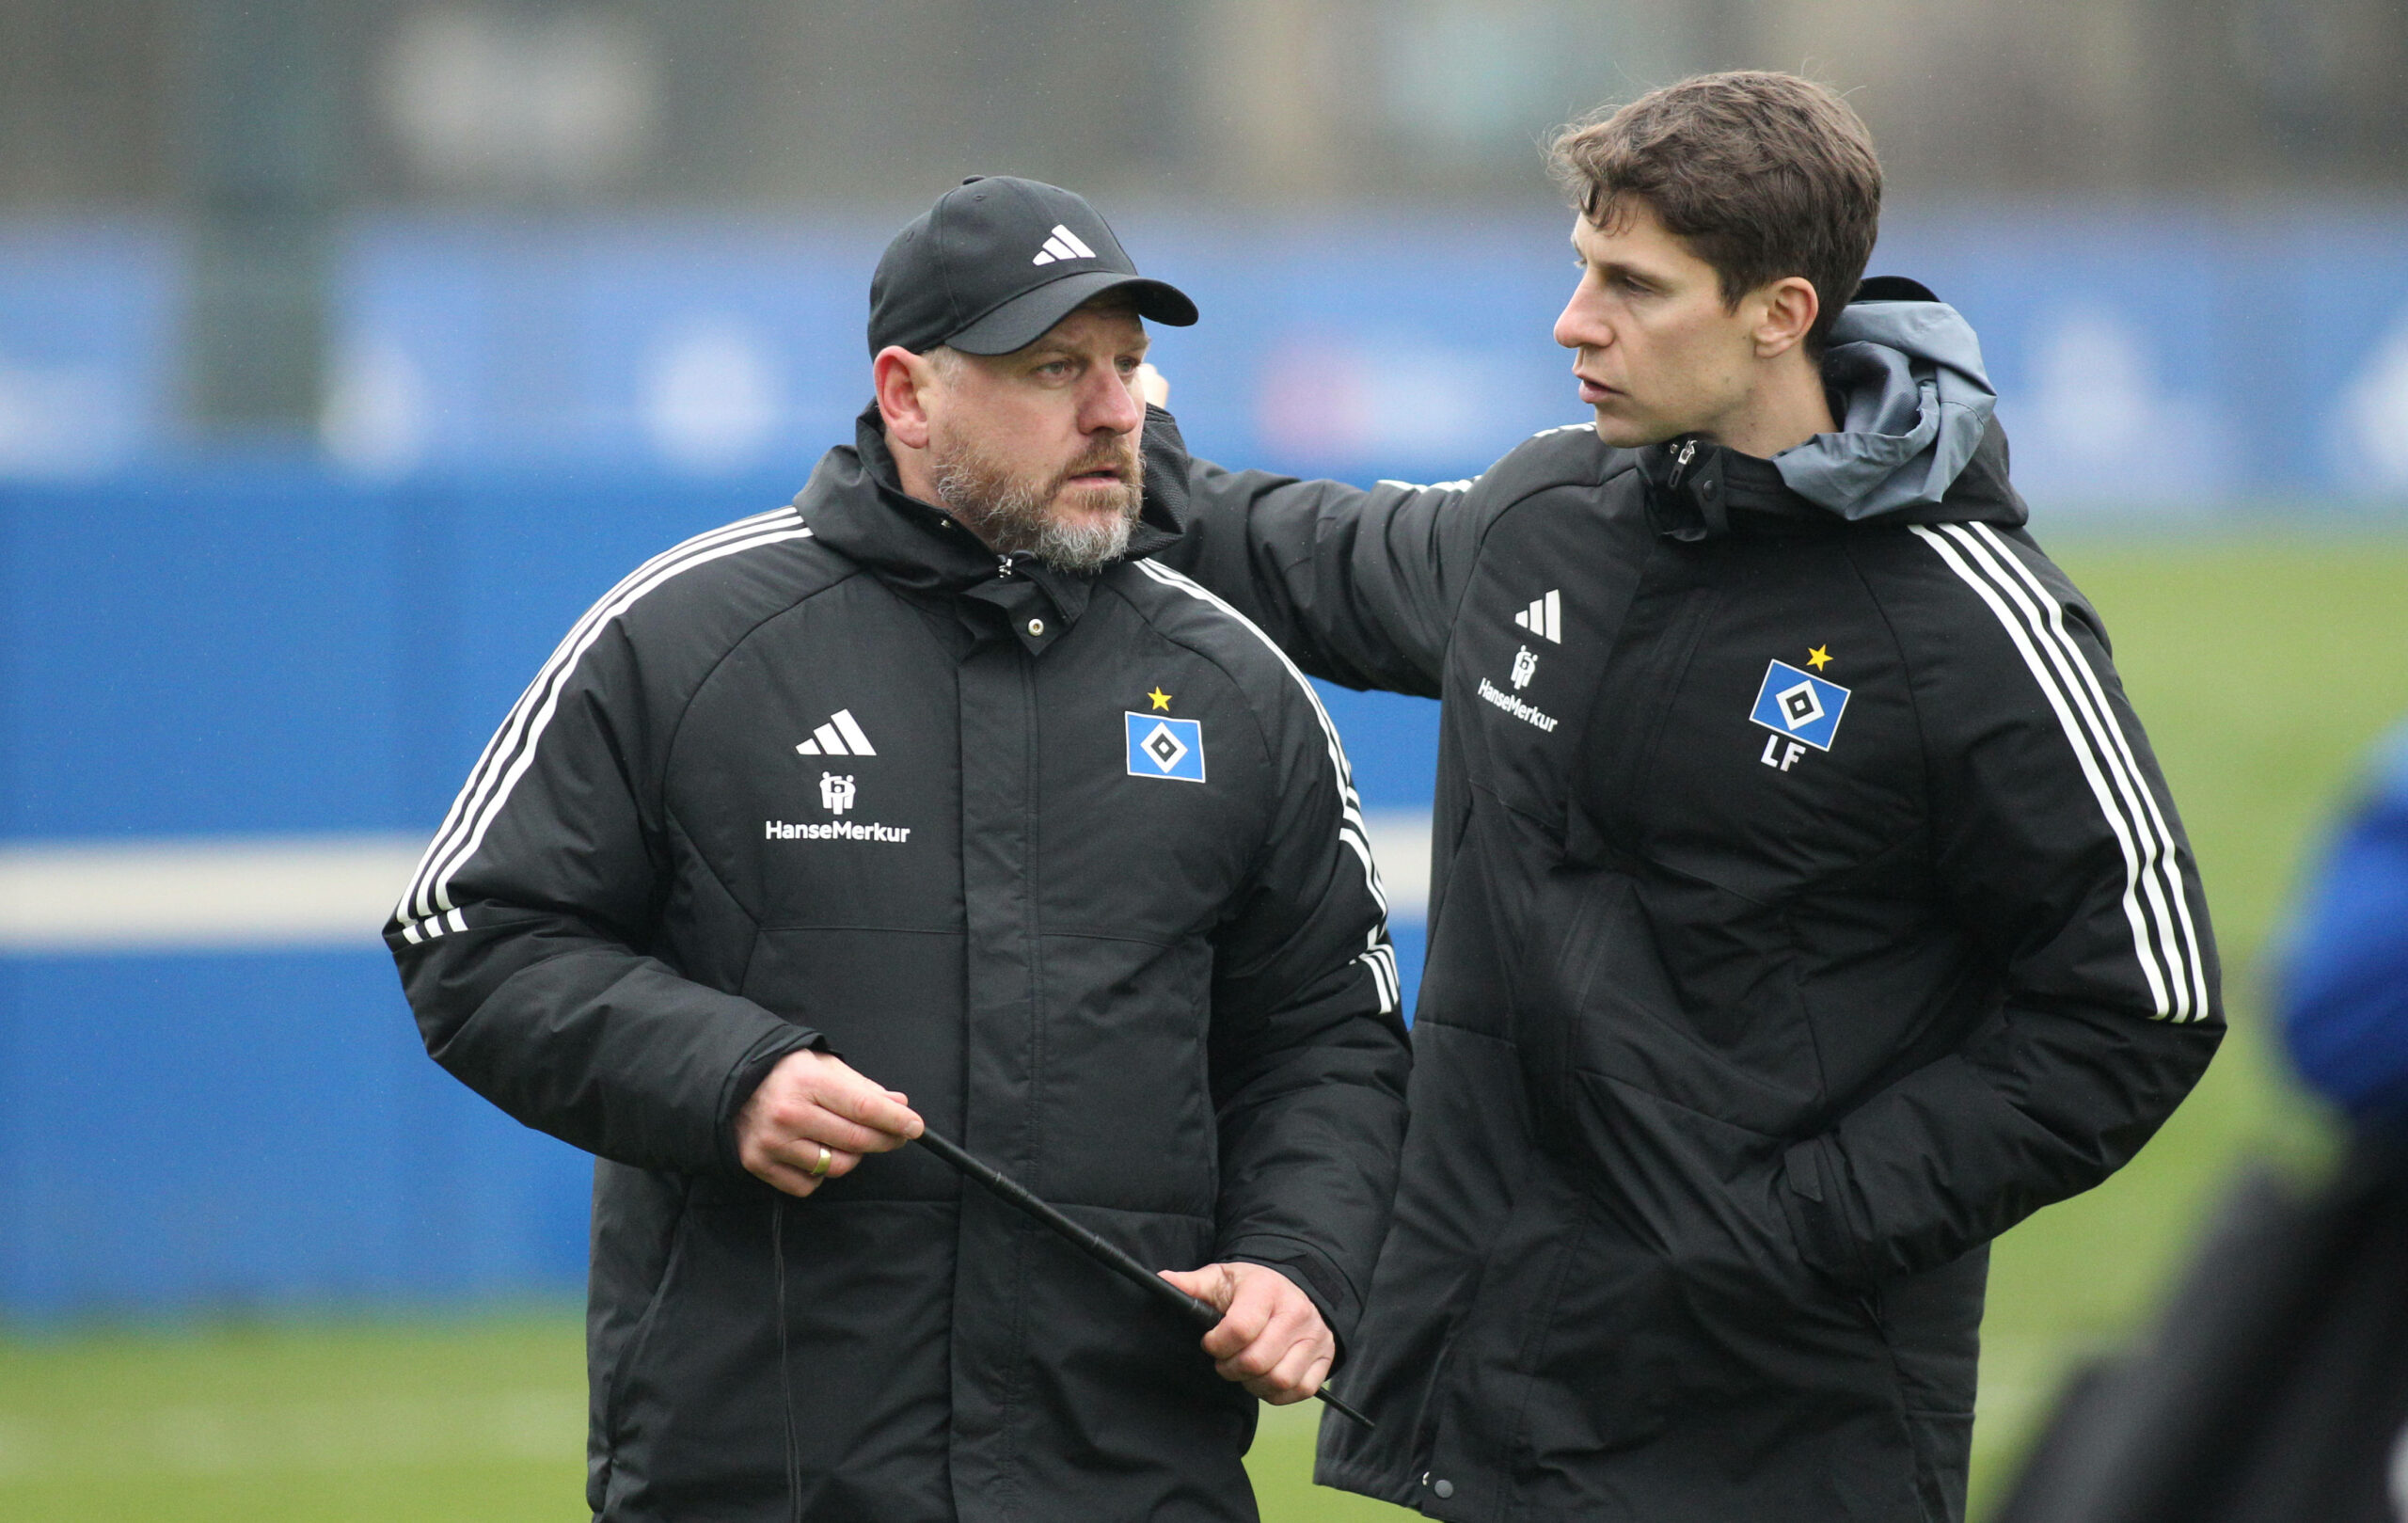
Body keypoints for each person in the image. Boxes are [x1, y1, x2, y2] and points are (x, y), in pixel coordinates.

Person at [1159, 72, 2224, 1522]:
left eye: (1632, 286)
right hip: (1508, 1406)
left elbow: (2139, 1001)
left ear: (1780, 313)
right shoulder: (1550, 512)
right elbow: (1334, 558)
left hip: (1782, 1433)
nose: (1573, 320)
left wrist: (1786, 1229)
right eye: (1582, 267)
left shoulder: (1970, 623)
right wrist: (1121, 466)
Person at [384, 175, 1411, 1523]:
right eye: (1056, 369)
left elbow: (1328, 1038)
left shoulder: (1237, 686)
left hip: (1129, 1478)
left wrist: (1298, 1262)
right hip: (764, 1479)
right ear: (909, 395)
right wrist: (727, 1076)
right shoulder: (688, 639)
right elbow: (475, 934)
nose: (1118, 412)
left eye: (1129, 365)